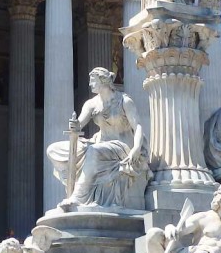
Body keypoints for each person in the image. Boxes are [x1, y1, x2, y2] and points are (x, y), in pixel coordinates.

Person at [47, 67, 148, 211]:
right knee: (53, 149)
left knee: (94, 151)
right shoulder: (91, 104)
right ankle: (78, 182)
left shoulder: (124, 101)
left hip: (122, 147)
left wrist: (136, 149)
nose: (90, 84)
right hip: (100, 144)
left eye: (93, 81)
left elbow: (137, 126)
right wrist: (75, 126)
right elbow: (80, 123)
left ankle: (78, 197)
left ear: (103, 81)